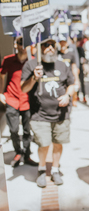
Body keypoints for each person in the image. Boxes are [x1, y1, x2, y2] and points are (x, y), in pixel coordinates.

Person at [21, 38, 75, 188]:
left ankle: (55, 170)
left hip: (61, 114)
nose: (50, 48)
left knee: (58, 144)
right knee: (44, 144)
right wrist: (34, 77)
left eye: (53, 45)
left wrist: (67, 96)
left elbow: (72, 84)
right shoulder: (31, 65)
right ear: (39, 47)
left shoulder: (62, 65)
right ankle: (42, 170)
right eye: (46, 45)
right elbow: (23, 88)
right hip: (39, 115)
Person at [0, 36, 38, 167]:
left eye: (25, 43)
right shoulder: (8, 60)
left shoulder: (33, 61)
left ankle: (27, 155)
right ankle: (18, 152)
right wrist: (1, 93)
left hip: (27, 101)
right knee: (14, 130)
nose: (23, 46)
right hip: (11, 99)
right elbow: (1, 75)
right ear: (16, 45)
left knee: (27, 131)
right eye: (20, 43)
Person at [57, 35, 80, 106]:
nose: (63, 44)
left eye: (64, 43)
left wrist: (76, 78)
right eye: (61, 43)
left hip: (69, 74)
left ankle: (73, 100)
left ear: (67, 44)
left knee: (72, 87)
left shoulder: (71, 54)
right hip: (61, 75)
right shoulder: (57, 54)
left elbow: (74, 66)